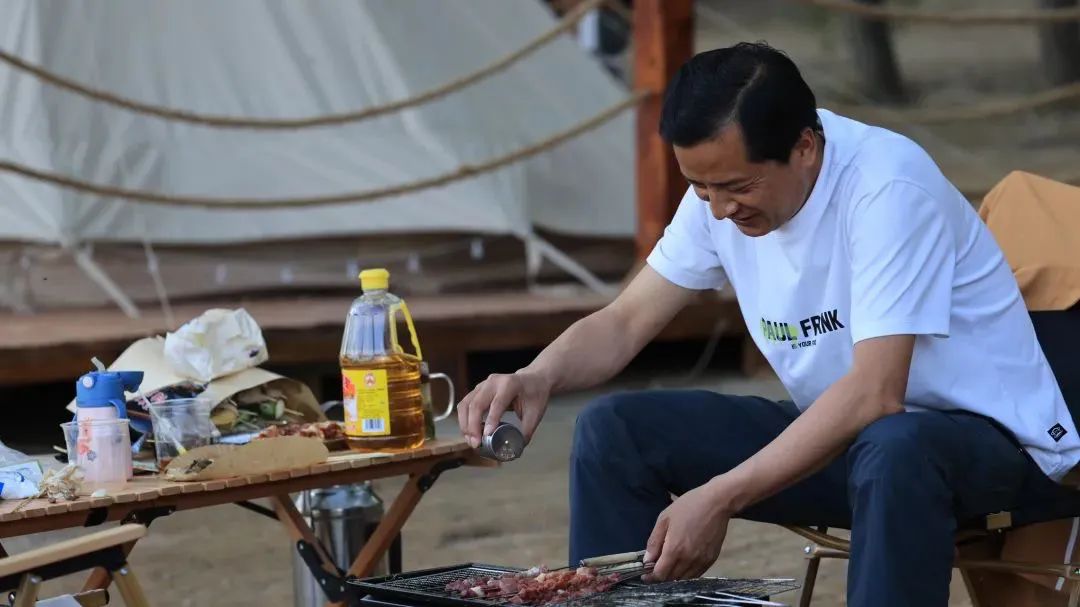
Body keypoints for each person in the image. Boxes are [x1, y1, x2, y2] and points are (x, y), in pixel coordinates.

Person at [456, 42, 1080, 606]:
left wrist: (721, 494)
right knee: (614, 431)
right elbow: (624, 322)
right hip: (851, 440)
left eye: (736, 187)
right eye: (701, 190)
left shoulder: (887, 187)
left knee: (897, 449)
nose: (721, 210)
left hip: (994, 445)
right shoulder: (718, 191)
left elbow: (876, 394)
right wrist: (537, 375)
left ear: (805, 147)